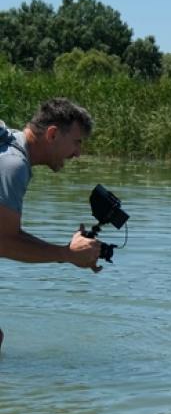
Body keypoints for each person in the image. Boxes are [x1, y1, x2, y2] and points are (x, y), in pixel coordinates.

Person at [0, 98, 103, 348]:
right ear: (53, 134)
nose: (78, 153)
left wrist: (65, 253)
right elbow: (3, 242)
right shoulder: (13, 165)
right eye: (76, 142)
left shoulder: (10, 147)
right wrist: (66, 253)